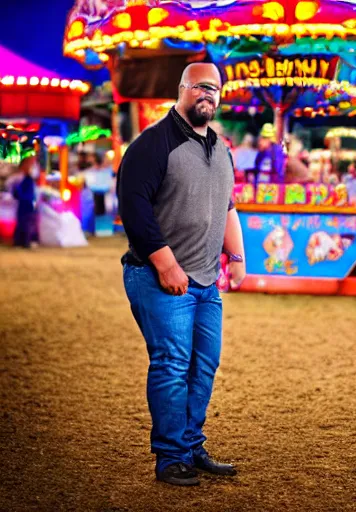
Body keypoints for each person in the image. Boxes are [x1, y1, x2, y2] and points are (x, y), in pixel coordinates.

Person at [118, 63, 247, 486]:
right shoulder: (153, 144)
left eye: (216, 89)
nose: (208, 94)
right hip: (160, 278)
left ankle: (191, 446)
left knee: (203, 365)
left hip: (207, 280)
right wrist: (166, 263)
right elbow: (134, 208)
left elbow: (227, 207)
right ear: (183, 89)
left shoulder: (221, 147)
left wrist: (239, 256)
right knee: (172, 364)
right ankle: (171, 456)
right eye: (201, 87)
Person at [12, 155, 39, 248]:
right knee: (24, 222)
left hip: (27, 202)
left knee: (27, 222)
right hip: (25, 202)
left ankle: (25, 241)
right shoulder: (22, 178)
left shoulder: (28, 179)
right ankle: (22, 241)